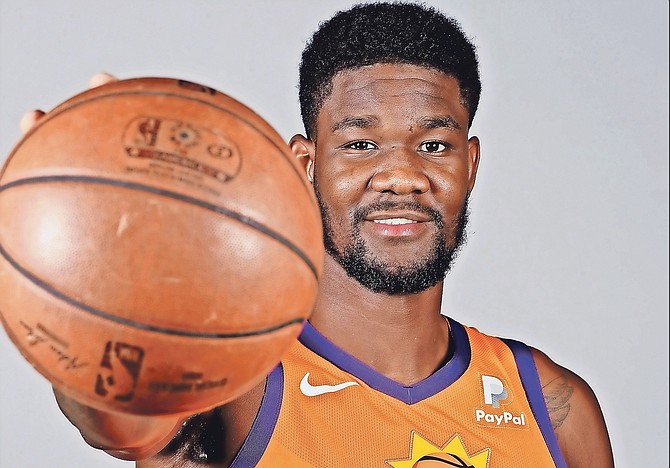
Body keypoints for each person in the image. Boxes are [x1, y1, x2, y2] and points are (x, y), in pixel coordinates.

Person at [21, 2, 614, 467]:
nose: (403, 175)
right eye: (360, 145)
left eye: (434, 145)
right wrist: (92, 282)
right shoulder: (228, 382)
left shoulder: (555, 413)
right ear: (306, 167)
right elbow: (121, 422)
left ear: (471, 164)